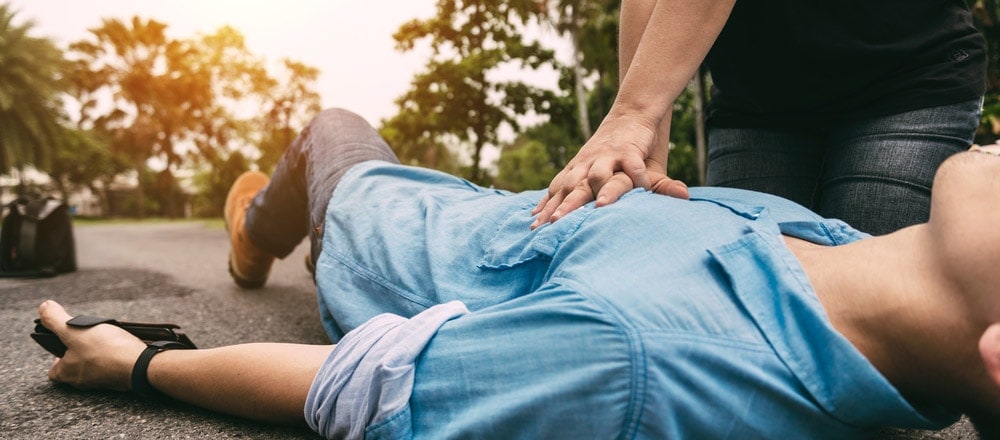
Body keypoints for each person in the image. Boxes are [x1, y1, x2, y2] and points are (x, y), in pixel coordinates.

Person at [38, 109, 1000, 438]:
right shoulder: (842, 249)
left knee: (331, 129)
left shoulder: (635, 360)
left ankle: (255, 235)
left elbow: (361, 383)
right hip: (497, 210)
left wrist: (134, 366)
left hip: (389, 229)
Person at [532, 0, 987, 236]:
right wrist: (647, 150)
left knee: (868, 327)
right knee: (749, 300)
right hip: (759, 105)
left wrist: (632, 115)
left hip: (906, 82)